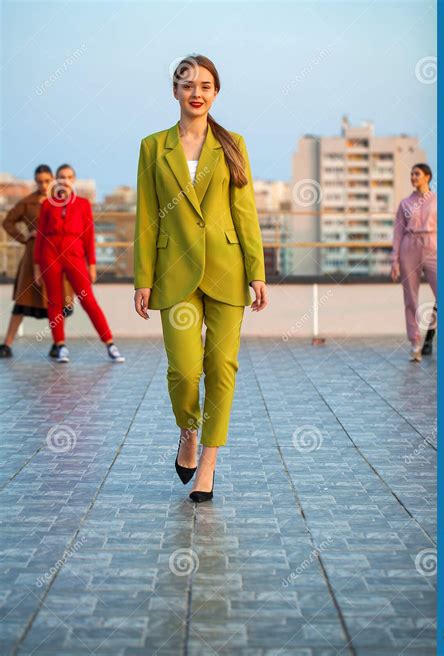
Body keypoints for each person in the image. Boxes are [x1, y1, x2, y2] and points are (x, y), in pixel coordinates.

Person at [134, 54, 268, 503]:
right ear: (174, 91)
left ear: (215, 93)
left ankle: (208, 465)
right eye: (188, 84)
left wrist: (258, 271)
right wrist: (143, 278)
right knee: (185, 369)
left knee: (222, 368)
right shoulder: (153, 146)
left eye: (206, 86)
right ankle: (187, 430)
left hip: (228, 271)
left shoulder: (233, 144)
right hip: (174, 272)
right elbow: (147, 217)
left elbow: (245, 213)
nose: (197, 92)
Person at [33, 164, 125, 364]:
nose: (65, 180)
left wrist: (92, 264)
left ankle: (110, 344)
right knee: (55, 302)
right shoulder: (47, 204)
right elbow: (40, 236)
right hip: (51, 255)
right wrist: (37, 266)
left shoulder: (83, 204)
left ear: (73, 180)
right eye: (61, 177)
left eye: (69, 177)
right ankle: (60, 346)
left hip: (75, 256)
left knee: (88, 300)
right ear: (56, 180)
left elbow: (89, 236)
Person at [0, 165, 75, 359]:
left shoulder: (63, 200)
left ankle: (58, 344)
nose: (43, 185)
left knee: (60, 303)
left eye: (47, 181)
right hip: (33, 257)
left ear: (53, 179)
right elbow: (7, 221)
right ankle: (7, 344)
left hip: (59, 256)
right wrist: (25, 237)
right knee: (22, 303)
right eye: (39, 181)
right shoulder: (27, 202)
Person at [391, 164, 437, 362]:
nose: (413, 176)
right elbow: (398, 232)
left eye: (416, 174)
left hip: (433, 246)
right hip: (408, 248)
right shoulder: (405, 203)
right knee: (410, 298)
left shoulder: (438, 200)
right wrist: (395, 259)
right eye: (411, 174)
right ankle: (415, 343)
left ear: (427, 177)